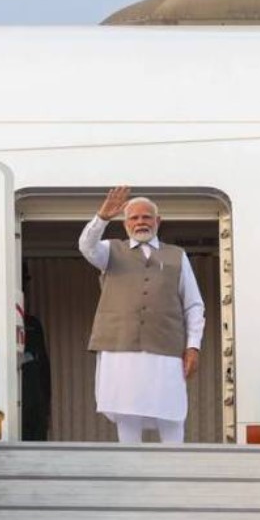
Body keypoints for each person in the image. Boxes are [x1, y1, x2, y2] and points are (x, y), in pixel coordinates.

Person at [79, 186, 205, 443]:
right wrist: (102, 217)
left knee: (171, 412)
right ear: (126, 224)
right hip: (120, 346)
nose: (140, 222)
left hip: (166, 348)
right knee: (128, 412)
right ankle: (130, 472)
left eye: (146, 217)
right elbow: (86, 246)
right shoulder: (109, 250)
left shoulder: (177, 256)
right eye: (134, 218)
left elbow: (193, 305)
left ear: (158, 221)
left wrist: (193, 347)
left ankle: (173, 472)